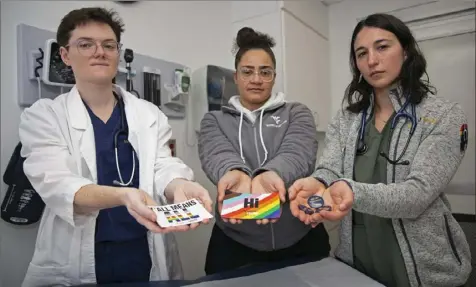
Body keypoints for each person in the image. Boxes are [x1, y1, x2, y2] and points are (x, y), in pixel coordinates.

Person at [18, 7, 213, 287]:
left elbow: (162, 164)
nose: (100, 52)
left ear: (117, 53)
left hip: (143, 251)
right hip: (77, 253)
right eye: (86, 44)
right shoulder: (44, 115)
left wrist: (179, 184)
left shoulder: (149, 114)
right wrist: (124, 196)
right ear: (65, 55)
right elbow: (58, 183)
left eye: (109, 45)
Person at [289, 13, 472, 287]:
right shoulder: (347, 119)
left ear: (407, 51)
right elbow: (329, 169)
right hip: (358, 262)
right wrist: (316, 181)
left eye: (382, 47)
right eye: (361, 53)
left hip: (423, 271)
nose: (372, 60)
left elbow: (417, 195)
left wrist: (351, 192)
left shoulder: (444, 115)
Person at [198, 27, 330, 275]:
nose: (256, 79)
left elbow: (297, 152)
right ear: (236, 76)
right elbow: (216, 153)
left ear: (274, 76)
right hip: (235, 241)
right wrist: (235, 172)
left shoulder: (296, 112)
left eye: (264, 72)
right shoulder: (214, 119)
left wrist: (271, 174)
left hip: (299, 236)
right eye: (247, 72)